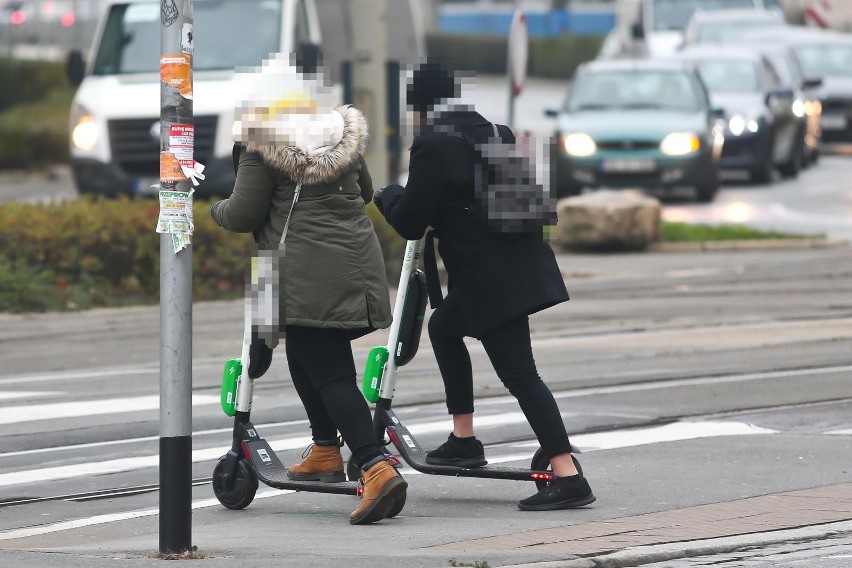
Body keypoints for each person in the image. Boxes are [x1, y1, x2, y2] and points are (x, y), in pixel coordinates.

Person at [373, 62, 595, 511]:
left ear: (419, 106)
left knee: (520, 374)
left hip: (489, 279)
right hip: (517, 265)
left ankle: (568, 476)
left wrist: (388, 196)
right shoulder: (496, 132)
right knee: (444, 328)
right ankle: (464, 437)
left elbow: (411, 220)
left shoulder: (433, 145)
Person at [210, 56, 406, 525]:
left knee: (330, 372)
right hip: (354, 263)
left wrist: (214, 209)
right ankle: (324, 450)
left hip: (301, 271)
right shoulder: (339, 135)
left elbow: (243, 213)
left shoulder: (262, 143)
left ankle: (374, 466)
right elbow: (363, 192)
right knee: (303, 354)